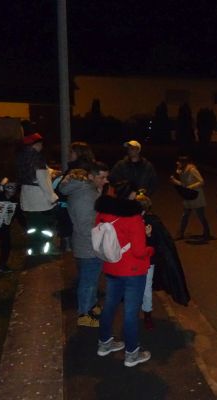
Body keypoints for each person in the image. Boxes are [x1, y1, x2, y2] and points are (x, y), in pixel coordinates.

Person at [95, 180, 154, 367]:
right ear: (131, 195)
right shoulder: (133, 217)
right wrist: (150, 249)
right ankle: (131, 354)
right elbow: (139, 251)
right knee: (130, 312)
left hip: (111, 266)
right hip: (133, 271)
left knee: (109, 305)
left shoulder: (103, 213)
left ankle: (104, 343)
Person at [59, 161, 110, 327]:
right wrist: (104, 232)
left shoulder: (87, 191)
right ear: (91, 177)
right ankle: (84, 315)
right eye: (102, 177)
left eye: (106, 177)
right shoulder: (85, 195)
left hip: (87, 244)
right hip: (89, 246)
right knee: (88, 282)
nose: (105, 181)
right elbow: (85, 226)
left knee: (90, 280)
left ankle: (91, 306)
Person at [135, 194, 191, 330]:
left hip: (147, 261)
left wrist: (148, 236)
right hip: (138, 260)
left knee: (145, 288)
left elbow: (158, 243)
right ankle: (143, 315)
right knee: (142, 288)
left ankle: (147, 314)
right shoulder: (134, 220)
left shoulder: (152, 222)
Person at [16, 132, 59, 257]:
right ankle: (45, 250)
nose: (42, 147)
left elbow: (39, 173)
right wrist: (52, 197)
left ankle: (32, 250)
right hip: (40, 199)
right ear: (35, 145)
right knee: (45, 227)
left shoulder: (21, 157)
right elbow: (43, 180)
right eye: (40, 144)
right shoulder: (37, 158)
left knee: (32, 227)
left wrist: (50, 171)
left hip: (27, 197)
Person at [54, 141, 96, 252]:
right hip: (81, 204)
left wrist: (62, 182)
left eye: (71, 152)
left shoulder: (77, 170)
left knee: (77, 229)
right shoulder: (89, 167)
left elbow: (64, 189)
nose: (69, 154)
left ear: (79, 153)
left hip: (76, 205)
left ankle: (70, 248)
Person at [171, 156, 212, 241]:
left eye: (179, 162)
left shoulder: (192, 170)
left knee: (200, 215)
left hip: (196, 195)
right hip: (188, 195)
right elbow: (184, 184)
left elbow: (201, 181)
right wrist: (175, 181)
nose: (177, 164)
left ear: (183, 163)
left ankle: (207, 232)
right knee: (185, 215)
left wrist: (191, 186)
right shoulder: (182, 171)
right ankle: (181, 233)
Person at [0, 179, 24, 273]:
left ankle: (2, 265)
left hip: (5, 227)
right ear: (5, 188)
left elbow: (19, 215)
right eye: (10, 187)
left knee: (6, 245)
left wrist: (24, 226)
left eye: (14, 187)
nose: (13, 189)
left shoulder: (15, 201)